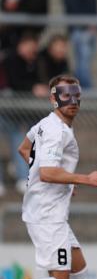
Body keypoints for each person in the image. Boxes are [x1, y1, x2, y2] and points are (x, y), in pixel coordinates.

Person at [0, 74, 97, 279]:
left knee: (79, 269)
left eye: (76, 95)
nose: (72, 101)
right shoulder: (57, 130)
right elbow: (49, 172)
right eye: (64, 95)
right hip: (47, 214)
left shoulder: (45, 125)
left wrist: (59, 178)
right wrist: (82, 179)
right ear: (53, 98)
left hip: (49, 211)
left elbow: (24, 149)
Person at [2, 33, 47, 194]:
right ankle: (19, 174)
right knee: (17, 134)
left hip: (24, 113)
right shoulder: (10, 60)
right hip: (6, 112)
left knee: (30, 134)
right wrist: (33, 88)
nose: (31, 49)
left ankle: (23, 175)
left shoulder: (36, 61)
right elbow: (13, 83)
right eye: (28, 44)